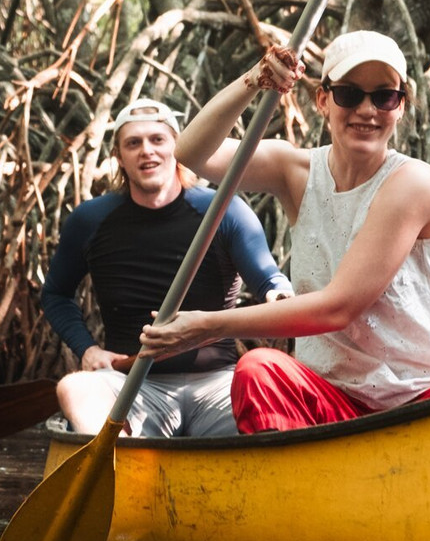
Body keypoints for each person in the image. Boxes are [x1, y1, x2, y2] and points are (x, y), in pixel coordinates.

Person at [138, 31, 430, 433]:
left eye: (384, 97)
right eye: (349, 94)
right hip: (333, 406)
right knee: (259, 369)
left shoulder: (413, 181)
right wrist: (254, 80)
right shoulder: (293, 171)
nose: (367, 110)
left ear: (400, 107)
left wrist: (208, 326)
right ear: (323, 100)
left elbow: (339, 307)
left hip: (428, 403)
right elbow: (191, 152)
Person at [41, 98, 293, 436]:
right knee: (74, 388)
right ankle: (116, 460)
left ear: (178, 148)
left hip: (219, 384)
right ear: (119, 157)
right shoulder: (90, 219)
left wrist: (279, 295)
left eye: (157, 140)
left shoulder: (224, 210)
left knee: (272, 395)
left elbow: (269, 280)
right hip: (131, 386)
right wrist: (87, 349)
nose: (147, 151)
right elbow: (56, 294)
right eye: (134, 143)